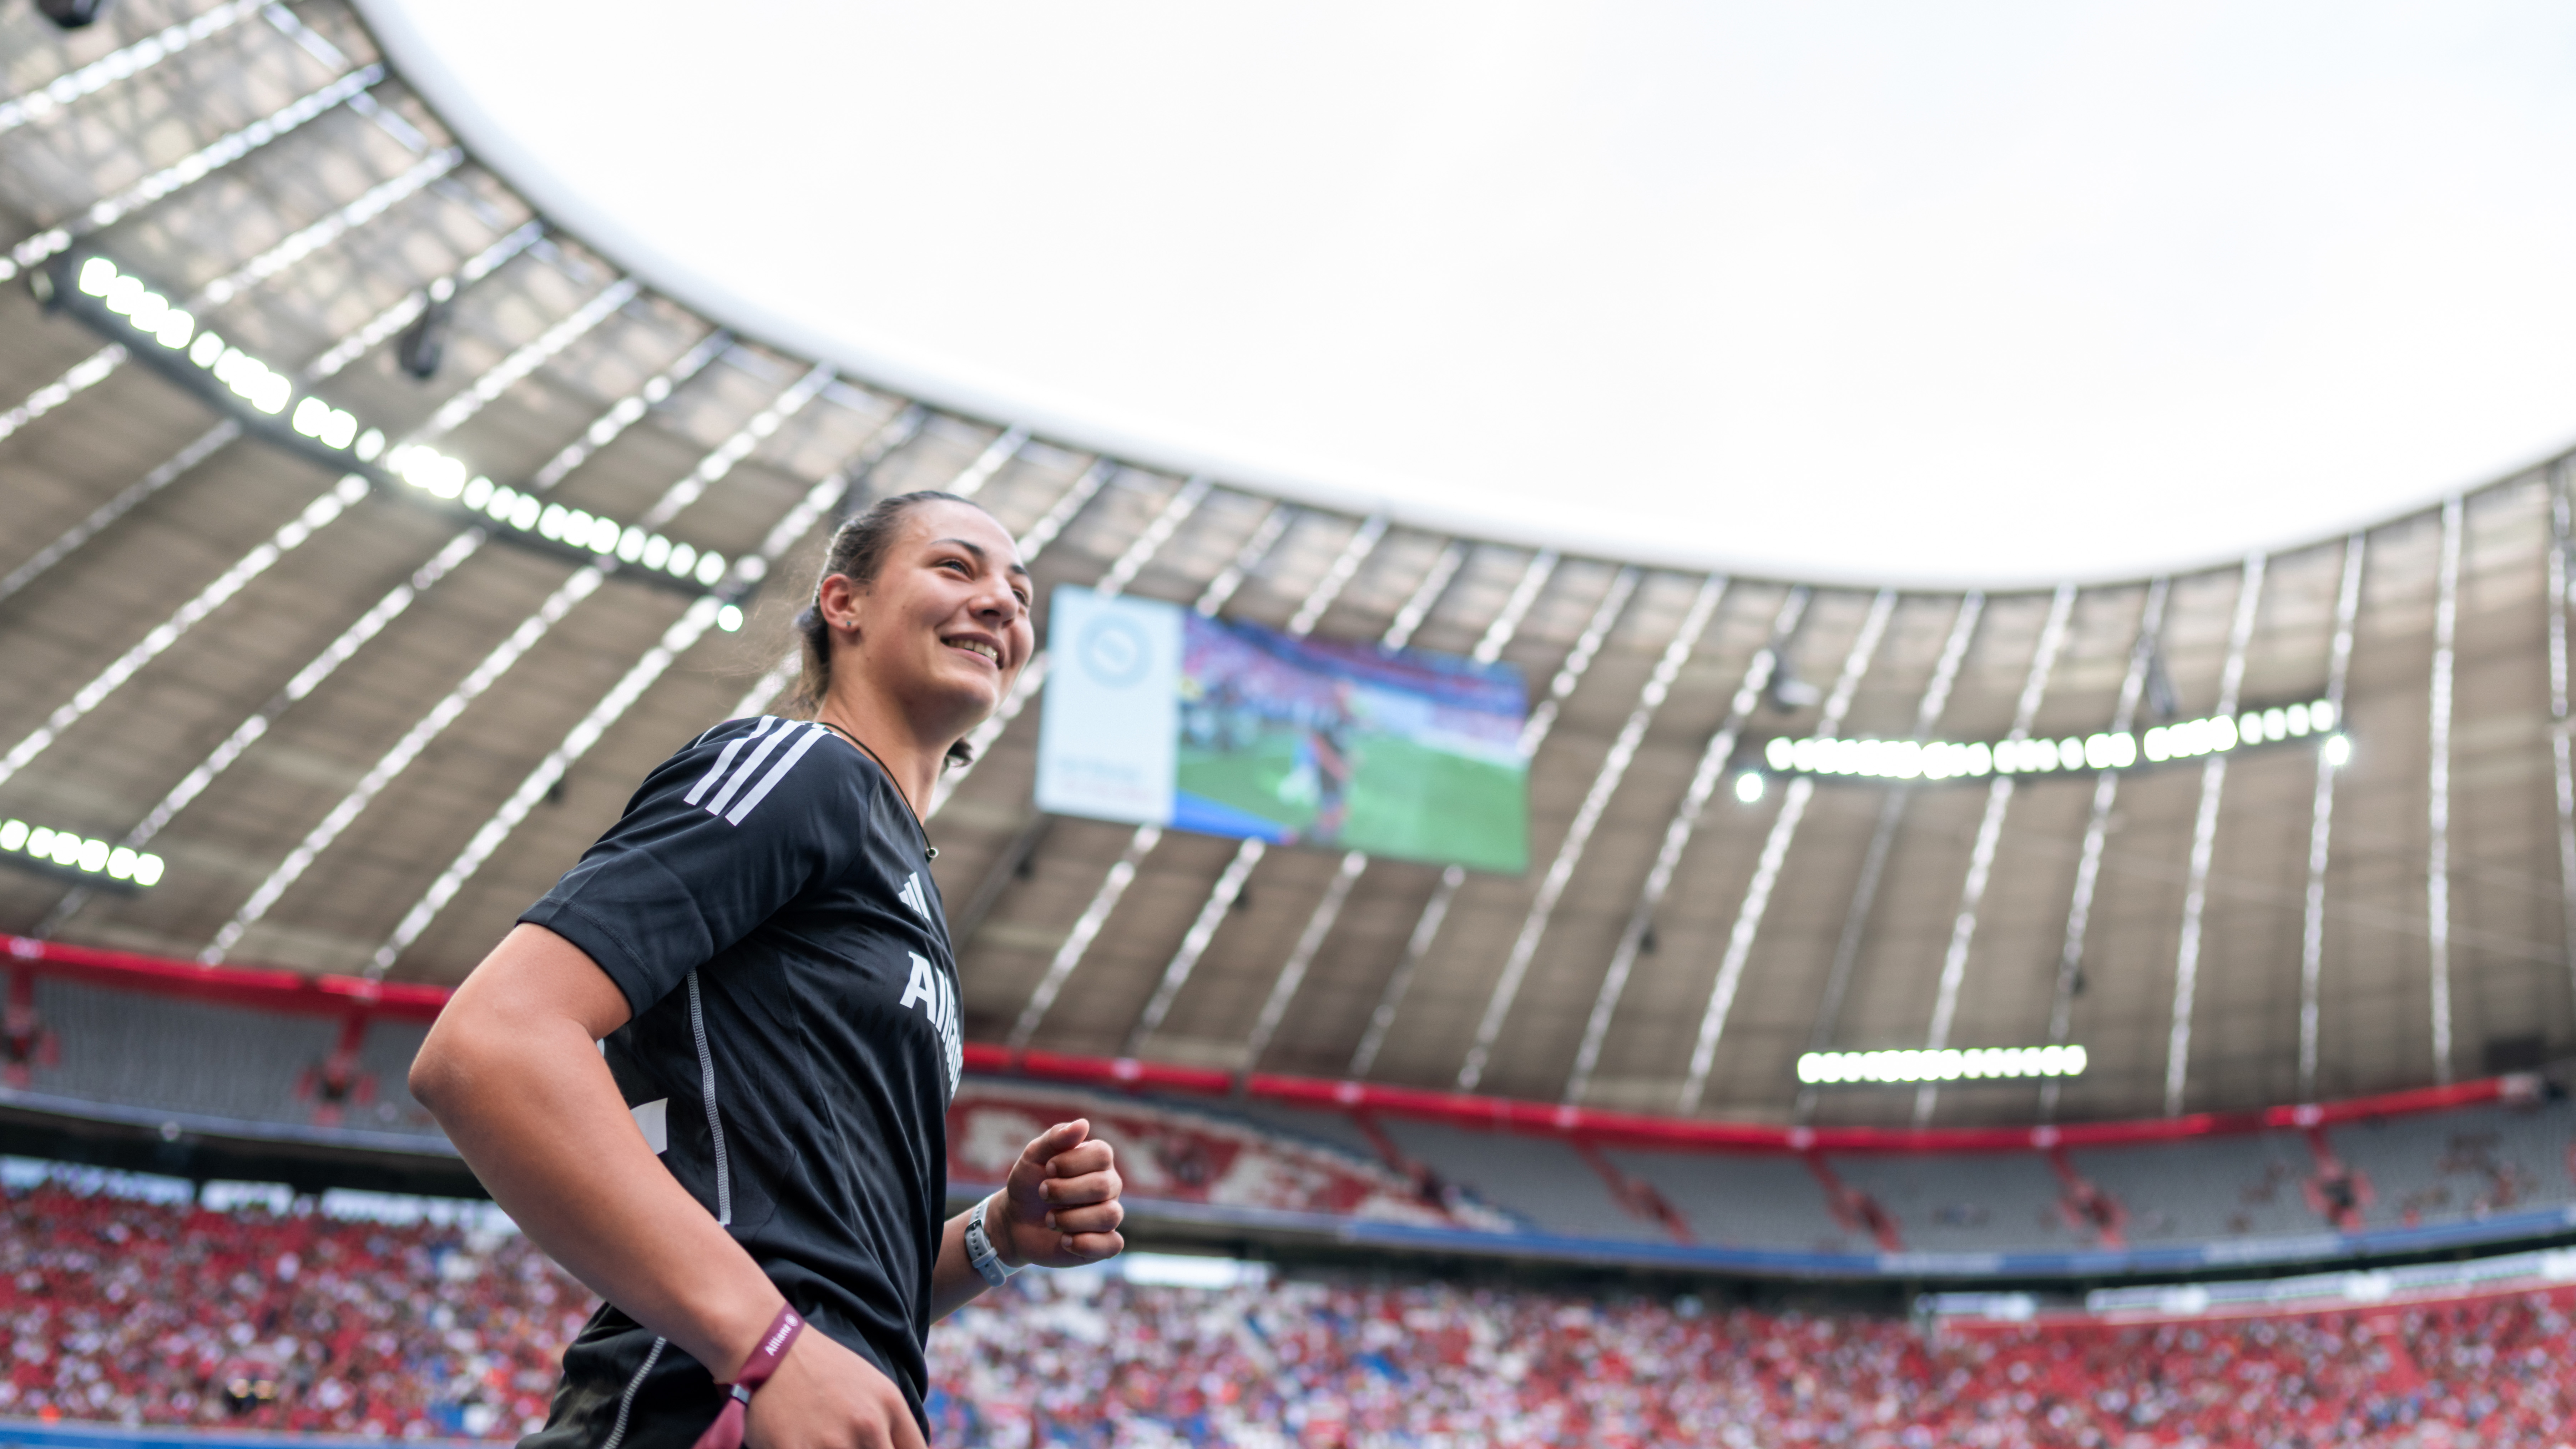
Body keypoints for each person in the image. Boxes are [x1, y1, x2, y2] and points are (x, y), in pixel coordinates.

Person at [411, 491, 1125, 1449]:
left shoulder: (900, 875)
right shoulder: (798, 768)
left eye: (1019, 591)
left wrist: (994, 1236)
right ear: (844, 603)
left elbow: (826, 1255)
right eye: (956, 568)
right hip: (702, 1404)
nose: (1002, 603)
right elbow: (490, 1044)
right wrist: (766, 1345)